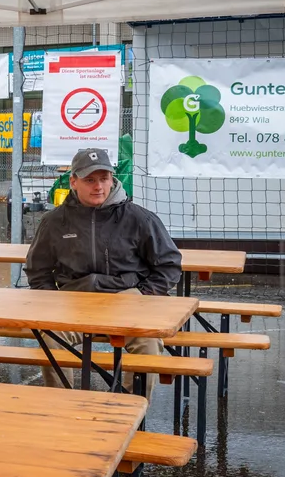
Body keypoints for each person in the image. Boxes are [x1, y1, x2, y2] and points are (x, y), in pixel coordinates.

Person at [26, 147, 182, 398]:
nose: (98, 186)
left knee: (148, 343)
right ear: (73, 181)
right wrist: (51, 301)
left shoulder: (139, 218)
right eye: (89, 180)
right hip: (74, 300)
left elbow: (169, 264)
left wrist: (145, 295)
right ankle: (62, 409)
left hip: (128, 298)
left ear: (112, 179)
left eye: (104, 178)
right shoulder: (54, 221)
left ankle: (130, 414)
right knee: (51, 338)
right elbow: (37, 269)